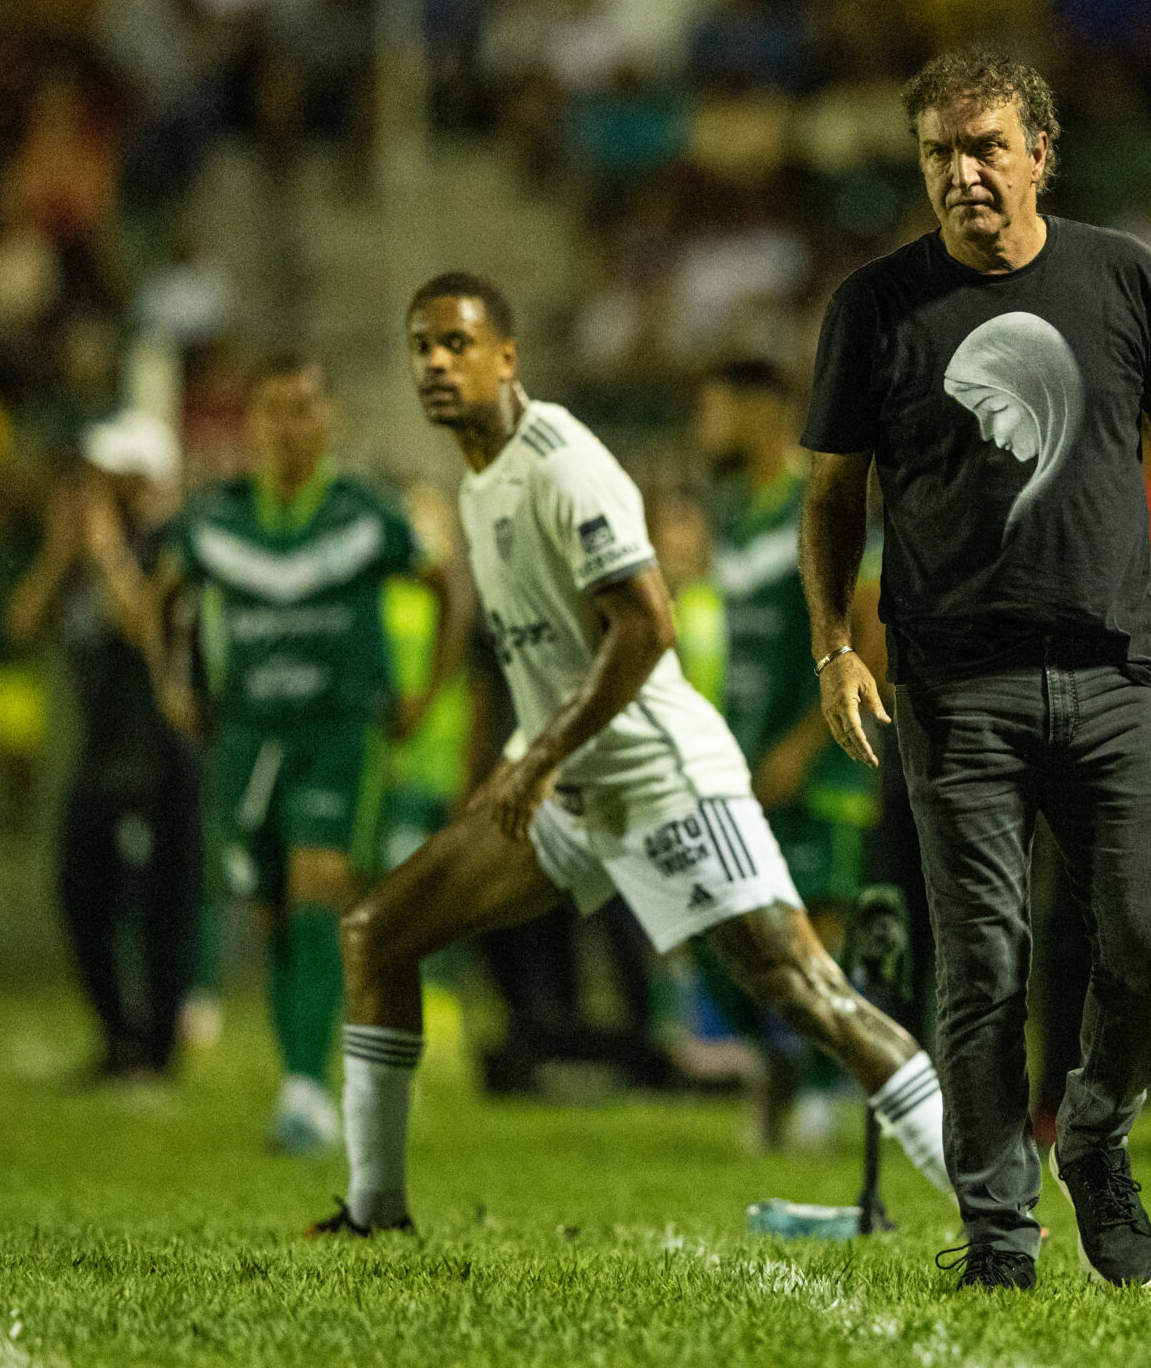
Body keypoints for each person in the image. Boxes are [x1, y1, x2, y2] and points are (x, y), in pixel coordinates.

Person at [311, 272, 951, 1237]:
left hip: (662, 775)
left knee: (806, 987)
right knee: (378, 934)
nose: (436, 364)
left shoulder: (561, 460)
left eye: (458, 344)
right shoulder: (481, 481)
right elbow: (549, 654)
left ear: (508, 357)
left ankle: (997, 1208)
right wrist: (525, 757)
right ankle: (374, 1211)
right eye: (422, 347)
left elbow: (647, 625)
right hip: (574, 784)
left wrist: (543, 752)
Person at [798, 49, 1151, 1289]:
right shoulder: (873, 306)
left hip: (1113, 676)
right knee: (985, 967)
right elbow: (831, 493)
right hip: (954, 689)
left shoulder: (1124, 278)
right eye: (940, 152)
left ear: (1041, 152)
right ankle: (998, 1235)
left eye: (988, 146)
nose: (964, 173)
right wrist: (836, 645)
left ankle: (1093, 1132)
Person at [153, 356, 473, 1154]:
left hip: (340, 730)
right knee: (269, 907)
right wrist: (173, 680)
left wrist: (423, 692)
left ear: (331, 420)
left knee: (319, 886)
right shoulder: (216, 519)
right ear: (251, 424)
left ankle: (304, 1089)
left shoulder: (368, 513)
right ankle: (300, 1069)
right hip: (250, 732)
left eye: (305, 408)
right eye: (273, 410)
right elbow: (164, 593)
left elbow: (449, 588)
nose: (289, 425)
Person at [692, 357, 882, 1146]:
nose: (704, 428)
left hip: (822, 760)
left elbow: (867, 623)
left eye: (715, 409)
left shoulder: (822, 498)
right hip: (742, 758)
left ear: (761, 413)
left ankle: (820, 1088)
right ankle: (778, 1066)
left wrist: (807, 741)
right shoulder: (736, 513)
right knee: (723, 919)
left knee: (818, 928)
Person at [10, 412, 199, 1081]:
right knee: (78, 889)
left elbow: (145, 623)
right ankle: (118, 1032)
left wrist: (105, 548)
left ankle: (154, 1046)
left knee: (158, 905)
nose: (96, 488)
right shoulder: (90, 546)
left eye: (112, 476)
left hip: (162, 749)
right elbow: (22, 621)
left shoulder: (174, 542)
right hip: (101, 750)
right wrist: (64, 553)